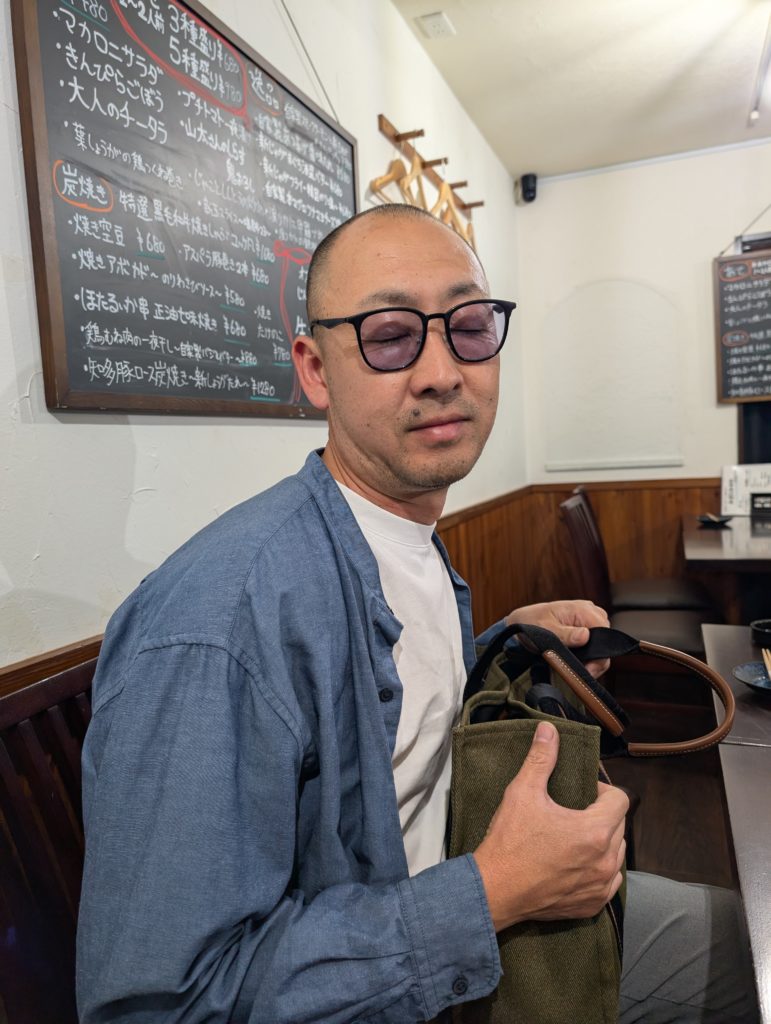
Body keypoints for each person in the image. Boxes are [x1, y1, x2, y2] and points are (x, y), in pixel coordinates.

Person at [76, 204, 758, 1023]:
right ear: (315, 370)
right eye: (390, 336)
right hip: (431, 964)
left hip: (470, 898)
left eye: (469, 328)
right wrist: (492, 892)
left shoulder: (403, 538)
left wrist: (501, 644)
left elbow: (386, 730)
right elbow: (164, 1004)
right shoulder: (216, 625)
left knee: (748, 937)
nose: (441, 372)